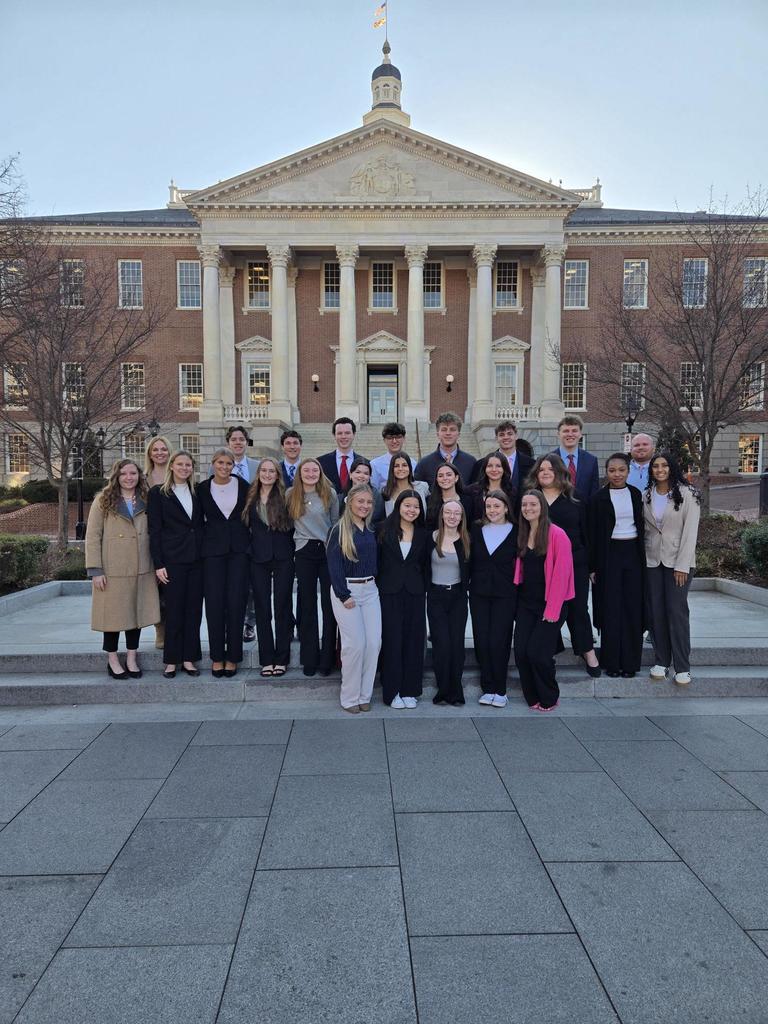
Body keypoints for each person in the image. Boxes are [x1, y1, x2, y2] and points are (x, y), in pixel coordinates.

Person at [526, 454, 600, 677]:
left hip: (574, 563)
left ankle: (587, 651)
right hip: (541, 563)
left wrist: (592, 566)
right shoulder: (531, 498)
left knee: (577, 608)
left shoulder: (575, 498)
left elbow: (588, 532)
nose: (545, 472)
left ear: (560, 472)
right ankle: (550, 649)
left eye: (550, 469)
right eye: (541, 469)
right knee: (546, 607)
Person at [85, 459, 160, 679]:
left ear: (139, 476)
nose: (129, 478)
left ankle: (131, 657)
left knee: (134, 614)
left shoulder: (147, 499)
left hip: (141, 568)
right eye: (124, 474)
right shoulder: (103, 501)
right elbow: (92, 537)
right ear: (116, 476)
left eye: (133, 473)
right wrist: (95, 570)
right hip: (113, 569)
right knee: (113, 616)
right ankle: (112, 660)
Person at [513, 490, 575, 711]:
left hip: (551, 604)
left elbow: (562, 574)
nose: (528, 509)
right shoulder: (522, 533)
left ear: (542, 507)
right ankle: (533, 697)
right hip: (526, 604)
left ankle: (549, 695)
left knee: (538, 654)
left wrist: (552, 610)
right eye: (524, 505)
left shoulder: (557, 535)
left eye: (533, 504)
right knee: (520, 652)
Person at [643, 451, 701, 687]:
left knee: (676, 613)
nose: (659, 470)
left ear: (672, 468)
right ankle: (661, 661)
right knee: (656, 613)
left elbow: (690, 533)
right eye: (655, 466)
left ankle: (682, 666)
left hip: (678, 562)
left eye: (664, 465)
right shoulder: (646, 495)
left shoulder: (688, 494)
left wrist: (682, 565)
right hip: (652, 562)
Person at [588, 453, 646, 678]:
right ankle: (611, 662)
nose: (617, 474)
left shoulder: (635, 494)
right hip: (608, 555)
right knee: (611, 608)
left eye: (621, 470)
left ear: (628, 471)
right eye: (612, 470)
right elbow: (592, 534)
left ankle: (630, 663)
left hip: (632, 553)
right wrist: (592, 566)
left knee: (631, 607)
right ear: (607, 472)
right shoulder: (598, 498)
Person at [147, 450, 204, 678]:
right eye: (180, 464)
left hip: (197, 560)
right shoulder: (158, 493)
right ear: (171, 466)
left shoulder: (197, 492)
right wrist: (158, 563)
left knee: (193, 611)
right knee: (174, 610)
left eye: (188, 465)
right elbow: (155, 530)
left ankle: (190, 659)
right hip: (172, 561)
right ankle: (171, 660)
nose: (184, 468)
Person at [326, 483, 381, 713]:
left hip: (370, 591)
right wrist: (343, 594)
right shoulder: (339, 530)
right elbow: (334, 564)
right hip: (347, 592)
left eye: (369, 502)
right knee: (354, 645)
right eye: (360, 501)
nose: (365, 506)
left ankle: (364, 694)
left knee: (373, 644)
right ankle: (349, 697)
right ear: (349, 502)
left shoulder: (371, 530)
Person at [197, 447, 251, 677]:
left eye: (228, 463)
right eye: (220, 463)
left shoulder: (244, 486)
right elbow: (197, 522)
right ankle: (217, 656)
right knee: (215, 605)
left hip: (239, 552)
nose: (224, 467)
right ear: (213, 463)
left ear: (233, 465)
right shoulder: (201, 489)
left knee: (237, 603)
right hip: (212, 553)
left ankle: (234, 656)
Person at [287, 458, 340, 676]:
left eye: (314, 470)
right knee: (307, 605)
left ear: (320, 472)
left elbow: (336, 522)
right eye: (306, 470)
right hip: (304, 551)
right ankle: (310, 658)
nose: (310, 473)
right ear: (299, 473)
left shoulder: (330, 493)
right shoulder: (291, 495)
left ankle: (326, 659)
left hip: (326, 550)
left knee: (329, 607)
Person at [243, 457, 295, 678]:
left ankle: (281, 659)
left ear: (277, 474)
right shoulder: (249, 495)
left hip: (283, 556)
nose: (267, 474)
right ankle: (267, 659)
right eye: (263, 470)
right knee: (263, 608)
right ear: (258, 473)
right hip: (258, 557)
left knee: (282, 606)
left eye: (271, 471)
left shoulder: (286, 496)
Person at [377, 490, 430, 708]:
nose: (411, 510)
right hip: (389, 593)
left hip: (415, 594)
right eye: (407, 505)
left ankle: (410, 690)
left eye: (416, 507)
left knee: (414, 642)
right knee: (392, 641)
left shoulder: (424, 534)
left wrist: (422, 587)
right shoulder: (382, 529)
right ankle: (392, 691)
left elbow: (427, 566)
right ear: (399, 506)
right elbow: (378, 563)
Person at [468, 490, 518, 708]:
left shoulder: (517, 530)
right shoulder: (476, 528)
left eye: (497, 506)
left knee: (500, 640)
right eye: (489, 507)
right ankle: (487, 687)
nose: (493, 510)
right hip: (479, 593)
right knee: (482, 640)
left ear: (506, 507)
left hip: (505, 595)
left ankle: (500, 689)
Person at [427, 500, 471, 706]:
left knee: (456, 645)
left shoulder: (467, 539)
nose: (452, 516)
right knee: (441, 644)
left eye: (457, 513)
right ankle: (443, 689)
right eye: (448, 512)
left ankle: (456, 690)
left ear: (461, 517)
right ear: (442, 515)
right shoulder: (432, 537)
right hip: (436, 596)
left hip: (458, 598)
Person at [144, 434, 172, 649]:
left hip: (172, 541)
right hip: (147, 537)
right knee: (155, 588)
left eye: (163, 449)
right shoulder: (142, 479)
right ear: (149, 454)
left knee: (169, 586)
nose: (160, 453)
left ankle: (173, 628)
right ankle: (159, 629)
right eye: (156, 449)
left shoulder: (177, 475)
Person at [414, 411, 477, 486]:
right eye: (444, 429)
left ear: (458, 434)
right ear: (438, 434)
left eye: (452, 429)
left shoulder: (471, 462)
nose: (448, 433)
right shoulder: (424, 464)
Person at [552, 415, 600, 503]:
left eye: (574, 431)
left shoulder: (591, 461)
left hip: (582, 513)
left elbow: (594, 493)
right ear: (558, 434)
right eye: (566, 431)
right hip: (554, 514)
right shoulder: (547, 460)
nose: (570, 434)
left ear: (580, 434)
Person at [465, 453, 518, 521]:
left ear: (504, 469)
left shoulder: (512, 491)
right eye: (490, 466)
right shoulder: (471, 490)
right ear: (485, 468)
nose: (494, 469)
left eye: (498, 466)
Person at [490, 420, 535, 494]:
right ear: (496, 438)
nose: (506, 437)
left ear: (516, 436)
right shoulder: (483, 464)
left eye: (509, 434)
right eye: (501, 435)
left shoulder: (531, 464)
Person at [424, 461, 472, 529]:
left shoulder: (468, 501)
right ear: (437, 479)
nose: (445, 478)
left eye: (449, 475)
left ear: (456, 478)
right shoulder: (428, 501)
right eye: (440, 476)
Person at [339, 457, 386, 525]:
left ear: (370, 477)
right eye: (358, 472)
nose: (361, 476)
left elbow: (378, 520)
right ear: (350, 474)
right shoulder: (340, 497)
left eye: (366, 473)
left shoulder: (376, 496)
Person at [317, 417, 358, 493]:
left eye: (347, 433)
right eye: (339, 433)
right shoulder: (320, 462)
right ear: (334, 435)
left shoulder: (364, 463)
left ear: (354, 434)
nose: (343, 436)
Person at [371, 422, 407, 490]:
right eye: (390, 438)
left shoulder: (412, 463)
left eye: (398, 437)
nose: (394, 441)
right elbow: (374, 491)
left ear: (404, 438)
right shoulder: (375, 465)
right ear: (384, 440)